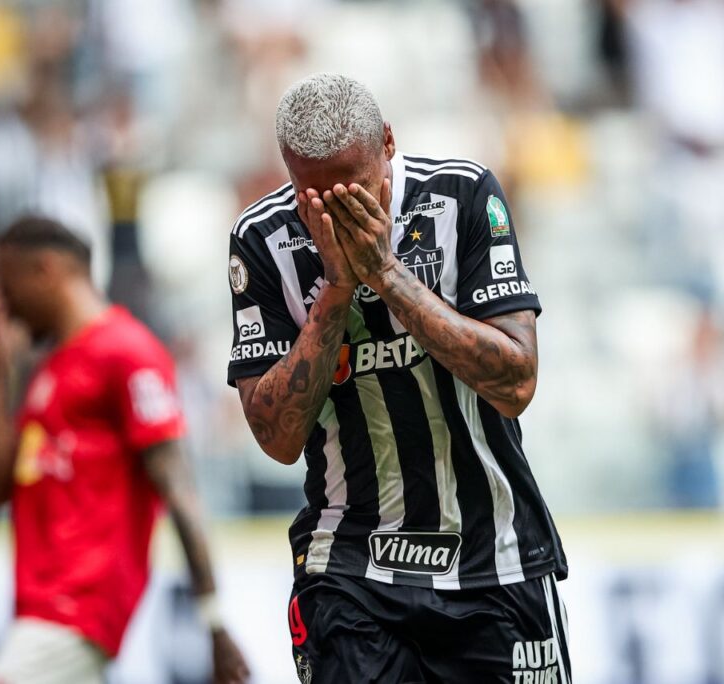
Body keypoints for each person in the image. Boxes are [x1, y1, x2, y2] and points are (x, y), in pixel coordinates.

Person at [229, 73, 570, 683]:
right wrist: (336, 289)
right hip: (350, 567)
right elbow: (277, 440)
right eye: (316, 198)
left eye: (353, 190)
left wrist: (385, 273)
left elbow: (516, 384)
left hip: (495, 559)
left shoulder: (464, 196)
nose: (336, 212)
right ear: (287, 171)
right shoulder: (262, 239)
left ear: (388, 143)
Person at [0, 216, 250, 683]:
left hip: (78, 608)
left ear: (44, 271)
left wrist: (214, 622)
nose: (1, 305)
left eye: (6, 285)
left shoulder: (127, 354)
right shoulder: (50, 367)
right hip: (39, 609)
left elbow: (179, 490)